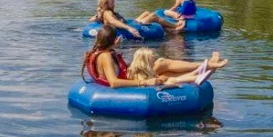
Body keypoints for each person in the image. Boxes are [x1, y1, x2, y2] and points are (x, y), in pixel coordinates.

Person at [82, 25, 228, 89]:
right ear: (111, 39)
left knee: (161, 65)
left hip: (129, 75)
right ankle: (204, 69)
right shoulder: (105, 56)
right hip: (131, 81)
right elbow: (113, 82)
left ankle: (202, 70)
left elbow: (112, 71)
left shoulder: (98, 52)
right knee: (162, 70)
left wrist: (115, 46)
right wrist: (145, 83)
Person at [91, 0, 185, 38]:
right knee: (153, 16)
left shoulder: (104, 12)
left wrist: (97, 19)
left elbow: (92, 19)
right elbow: (112, 21)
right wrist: (129, 28)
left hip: (130, 23)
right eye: (112, 2)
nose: (114, 3)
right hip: (127, 27)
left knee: (146, 13)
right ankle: (176, 26)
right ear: (106, 4)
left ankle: (169, 30)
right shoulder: (107, 12)